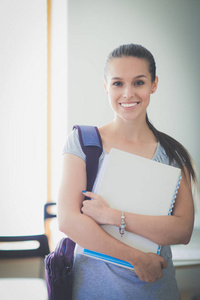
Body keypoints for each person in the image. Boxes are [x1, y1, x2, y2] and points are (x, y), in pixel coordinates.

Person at [57, 44, 196, 299]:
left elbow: (183, 230)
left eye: (139, 82)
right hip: (93, 291)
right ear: (105, 86)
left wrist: (112, 215)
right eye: (118, 83)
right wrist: (136, 258)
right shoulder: (83, 142)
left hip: (157, 291)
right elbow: (68, 220)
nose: (128, 93)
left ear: (154, 84)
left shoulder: (172, 154)